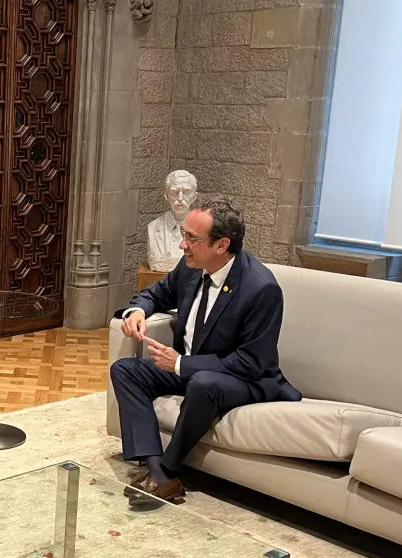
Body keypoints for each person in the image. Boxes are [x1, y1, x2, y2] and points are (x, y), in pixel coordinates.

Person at [110, 195, 300, 508]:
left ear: (221, 245)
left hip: (244, 379)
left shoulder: (260, 288)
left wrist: (181, 364)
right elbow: (155, 294)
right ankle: (157, 471)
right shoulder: (190, 268)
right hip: (189, 369)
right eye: (183, 234)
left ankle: (168, 469)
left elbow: (251, 361)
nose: (182, 245)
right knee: (125, 370)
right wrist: (137, 311)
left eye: (192, 238)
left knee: (203, 383)